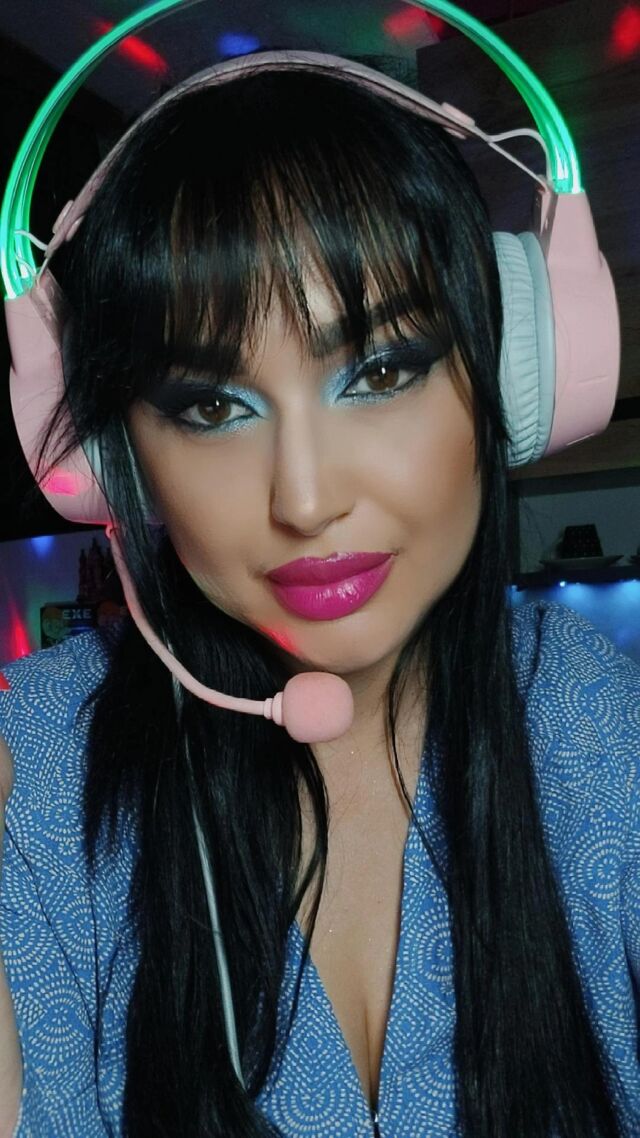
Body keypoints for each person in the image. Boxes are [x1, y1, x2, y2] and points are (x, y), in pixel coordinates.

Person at [0, 48, 638, 1138]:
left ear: (509, 377)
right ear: (115, 463)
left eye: (380, 371)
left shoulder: (593, 720)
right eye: (211, 406)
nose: (304, 500)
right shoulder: (40, 775)